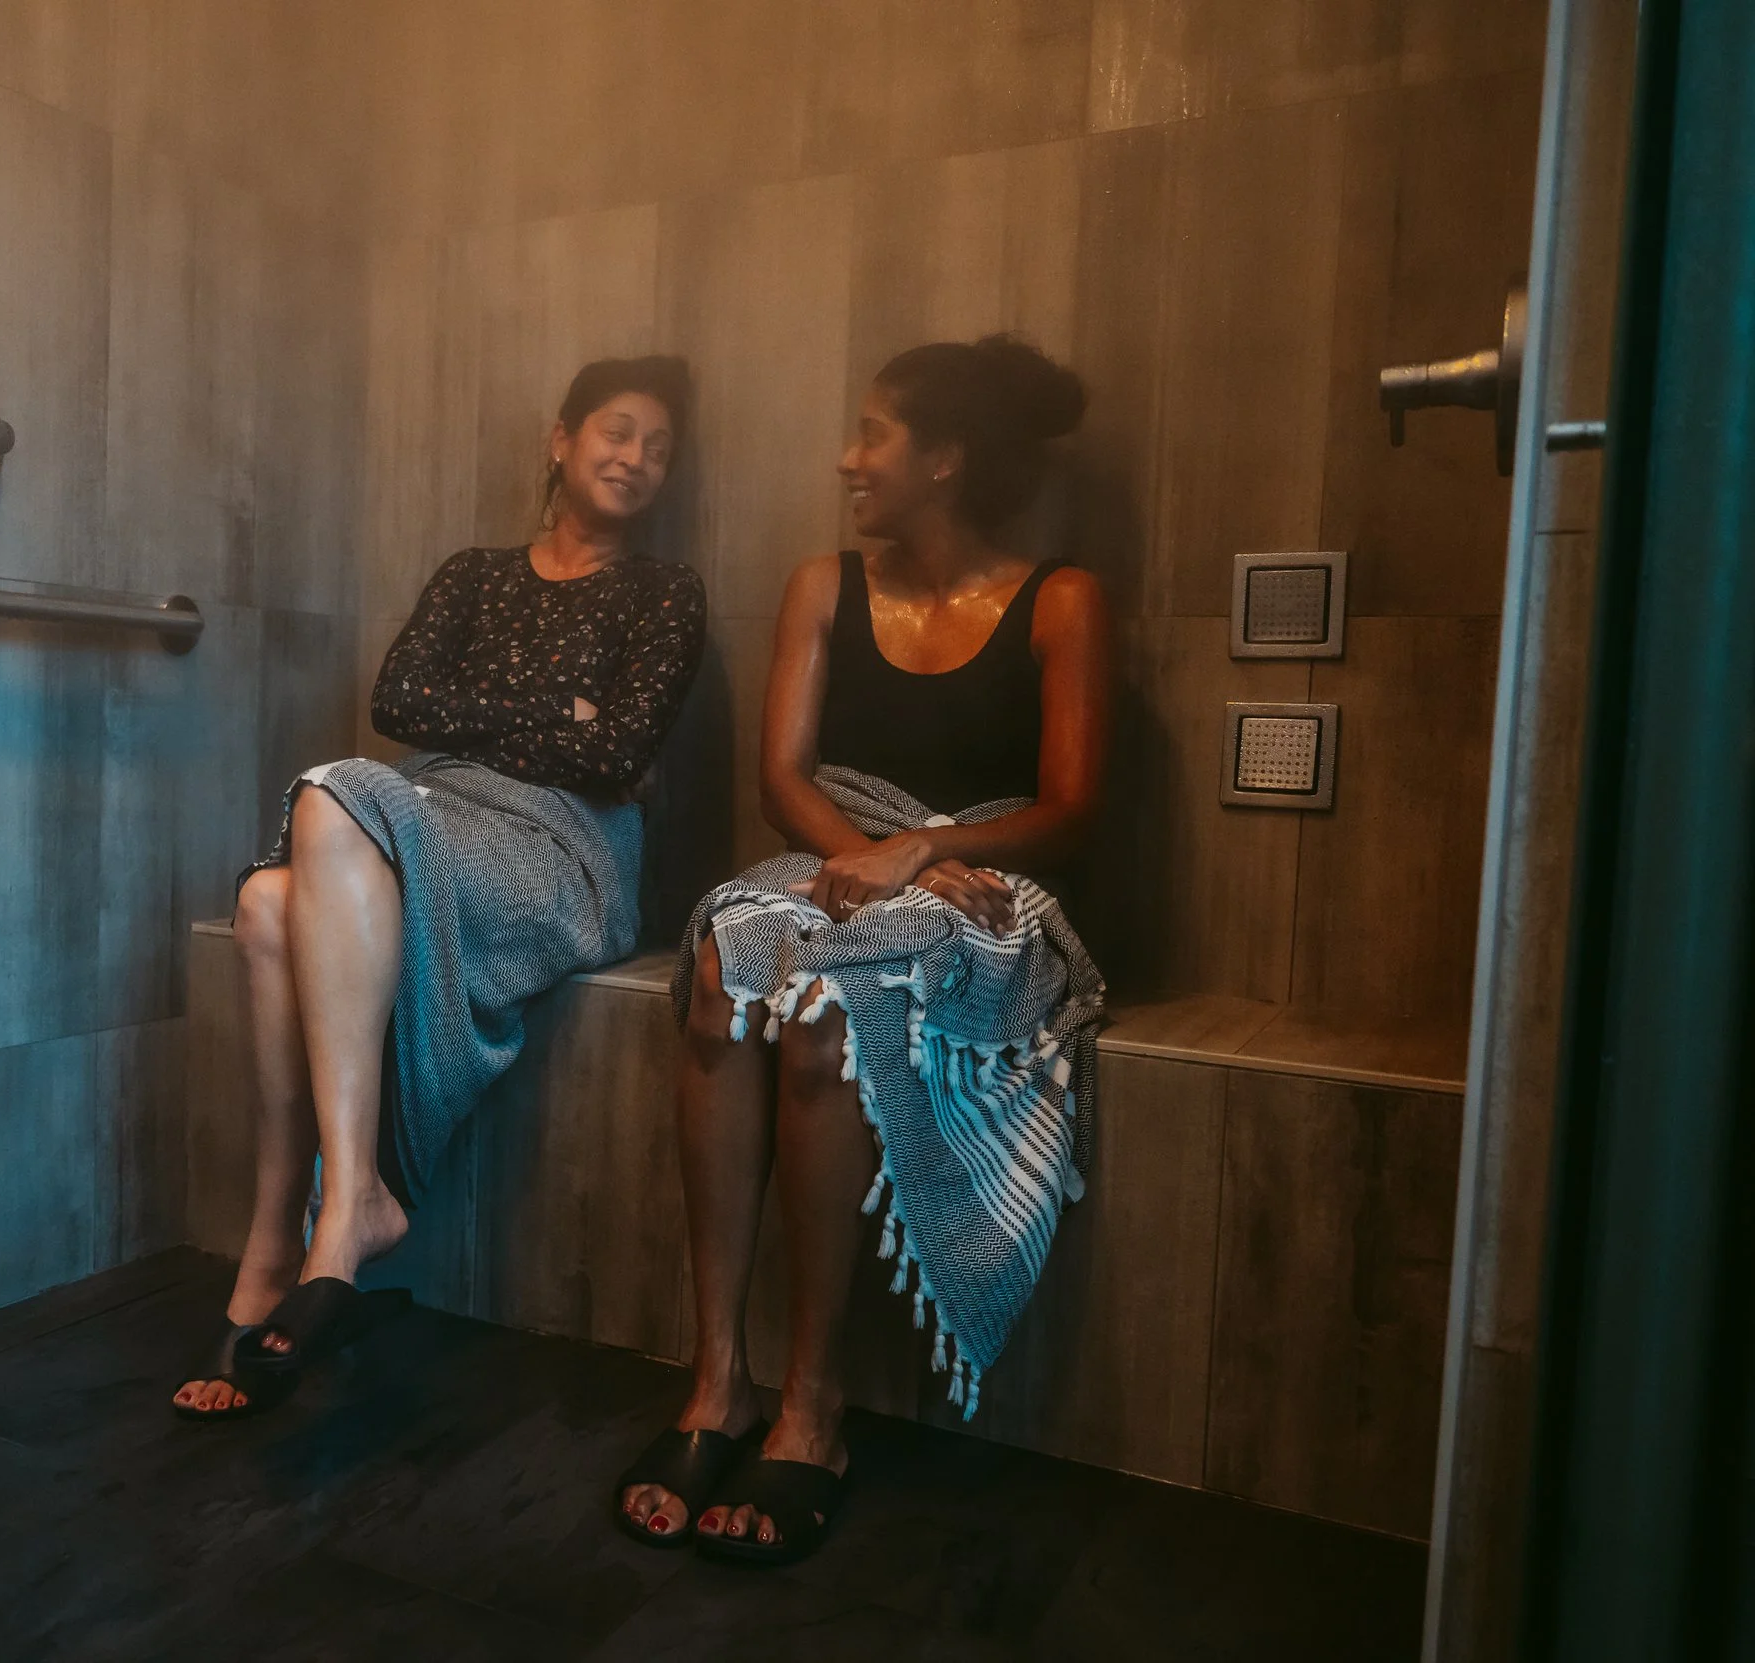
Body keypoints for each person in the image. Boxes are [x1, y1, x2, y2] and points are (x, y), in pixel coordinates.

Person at [613, 335, 1112, 1564]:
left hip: (984, 880)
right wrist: (882, 855)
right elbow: (784, 781)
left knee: (833, 1008)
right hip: (835, 848)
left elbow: (1070, 806)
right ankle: (716, 1381)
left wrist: (925, 852)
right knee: (727, 966)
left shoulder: (1060, 600)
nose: (847, 460)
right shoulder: (823, 586)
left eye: (872, 435)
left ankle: (813, 1406)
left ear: (944, 459)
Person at [174, 356, 709, 1419]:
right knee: (268, 903)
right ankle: (283, 1235)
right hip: (439, 810)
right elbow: (400, 699)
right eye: (616, 431)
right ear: (561, 439)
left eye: (658, 447)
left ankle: (338, 1214)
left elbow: (618, 757)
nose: (635, 458)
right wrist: (564, 715)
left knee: (336, 791)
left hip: (566, 846)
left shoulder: (665, 594)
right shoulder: (474, 574)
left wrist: (520, 722)